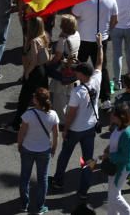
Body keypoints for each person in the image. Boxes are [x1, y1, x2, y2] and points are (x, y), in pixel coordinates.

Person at [50, 33, 103, 198]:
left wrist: (65, 130)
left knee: (65, 154)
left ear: (82, 75)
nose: (76, 74)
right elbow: (100, 63)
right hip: (90, 127)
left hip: (75, 129)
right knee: (88, 160)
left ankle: (58, 181)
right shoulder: (96, 80)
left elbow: (71, 114)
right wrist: (100, 45)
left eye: (77, 72)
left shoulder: (77, 91)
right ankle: (83, 191)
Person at [17, 87, 59, 215]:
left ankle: (24, 204)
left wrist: (19, 145)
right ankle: (40, 207)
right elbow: (56, 135)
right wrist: (54, 149)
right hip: (44, 150)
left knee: (25, 177)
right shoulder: (53, 115)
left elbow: (21, 132)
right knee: (43, 179)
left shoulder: (28, 115)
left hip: (28, 149)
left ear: (36, 101)